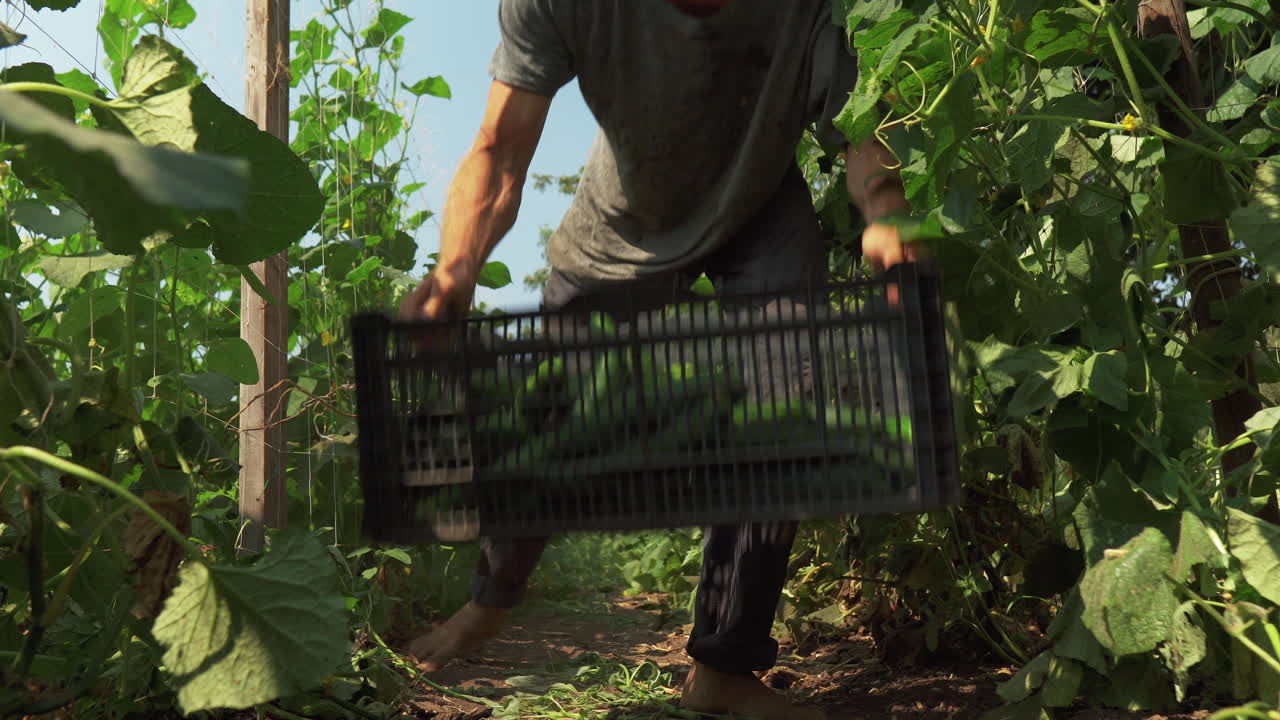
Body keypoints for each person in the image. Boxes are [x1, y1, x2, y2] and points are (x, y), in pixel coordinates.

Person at [399, 1, 916, 717]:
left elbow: (861, 123)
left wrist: (886, 211)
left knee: (786, 398)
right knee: (556, 410)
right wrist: (456, 268)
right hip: (620, 224)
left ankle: (724, 666)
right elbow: (500, 150)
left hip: (758, 205)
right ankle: (489, 602)